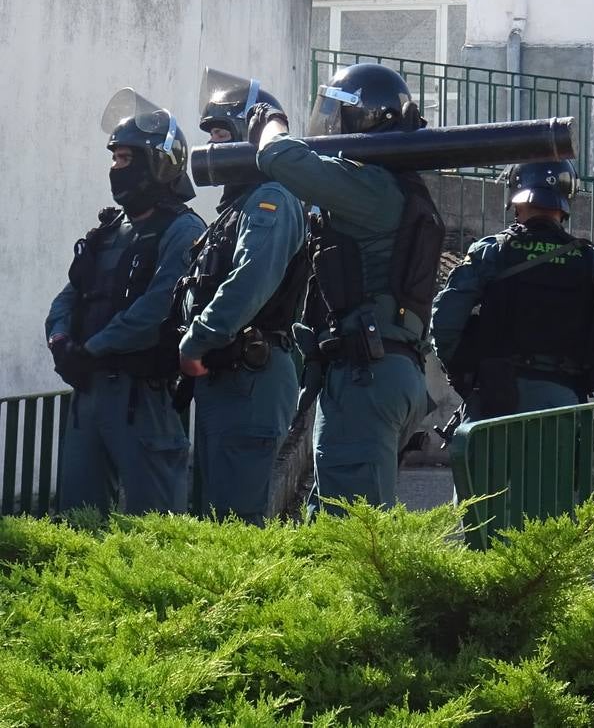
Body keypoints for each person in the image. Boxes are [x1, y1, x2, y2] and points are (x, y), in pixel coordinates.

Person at [250, 63, 445, 515]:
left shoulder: (372, 188)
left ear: (365, 119)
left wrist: (271, 126)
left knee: (348, 533)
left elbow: (280, 159)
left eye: (338, 114)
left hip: (366, 374)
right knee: (348, 517)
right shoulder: (399, 188)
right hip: (386, 369)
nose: (331, 125)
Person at [45, 90, 205, 516]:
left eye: (124, 159)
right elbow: (69, 295)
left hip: (141, 395)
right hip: (89, 391)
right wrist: (60, 340)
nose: (114, 168)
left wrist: (92, 349)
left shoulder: (183, 230)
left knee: (155, 523)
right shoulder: (110, 230)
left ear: (158, 164)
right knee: (78, 521)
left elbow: (158, 307)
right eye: (113, 158)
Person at [175, 70, 308, 526]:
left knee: (235, 522)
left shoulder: (271, 197)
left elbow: (253, 277)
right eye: (210, 134)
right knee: (215, 517)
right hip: (228, 373)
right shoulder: (237, 208)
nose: (212, 145)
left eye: (220, 133)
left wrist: (197, 339)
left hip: (251, 371)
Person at [431, 160, 594, 422]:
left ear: (516, 201)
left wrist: (466, 373)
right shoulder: (591, 260)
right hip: (564, 401)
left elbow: (444, 322)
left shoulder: (491, 251)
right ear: (565, 203)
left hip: (496, 400)